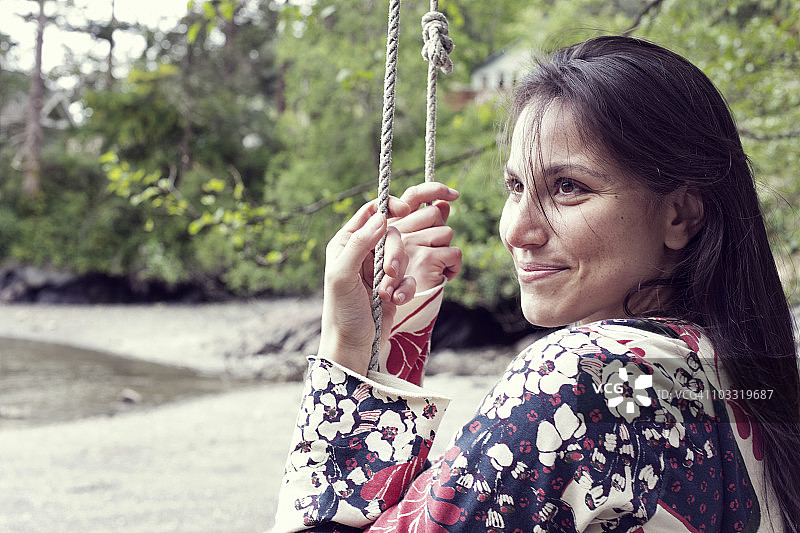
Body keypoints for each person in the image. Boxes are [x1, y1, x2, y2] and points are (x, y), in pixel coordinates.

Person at [272, 35, 800, 532]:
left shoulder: (577, 378)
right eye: (515, 186)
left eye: (568, 188)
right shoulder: (737, 370)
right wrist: (396, 332)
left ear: (680, 214)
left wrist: (347, 346)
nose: (517, 230)